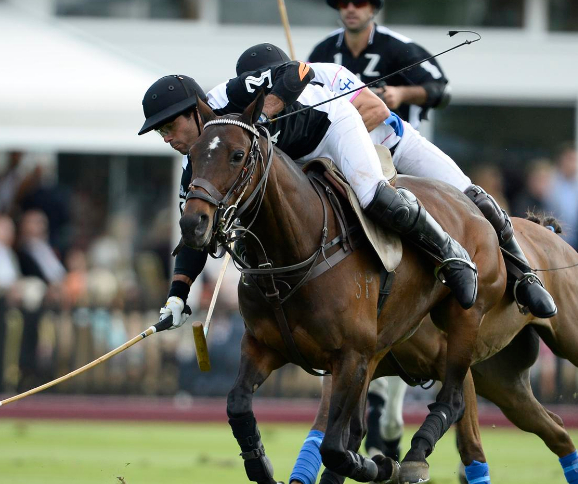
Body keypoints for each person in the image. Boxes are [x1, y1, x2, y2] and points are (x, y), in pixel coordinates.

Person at [139, 63, 479, 332]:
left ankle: (450, 253)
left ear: (195, 111)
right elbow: (195, 231)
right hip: (295, 160)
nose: (166, 138)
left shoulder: (231, 93)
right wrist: (177, 297)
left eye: (168, 127)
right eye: (160, 132)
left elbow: (300, 70)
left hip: (330, 128)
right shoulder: (199, 162)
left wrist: (265, 112)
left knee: (372, 195)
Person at [235, 42, 556, 316]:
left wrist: (339, 142)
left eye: (270, 86)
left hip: (395, 145)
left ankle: (524, 275)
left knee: (472, 195)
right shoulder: (259, 127)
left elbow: (374, 110)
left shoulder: (325, 74)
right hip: (343, 175)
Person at [308, 0, 449, 130]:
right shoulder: (323, 50)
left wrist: (401, 94)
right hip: (340, 138)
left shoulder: (399, 47)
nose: (350, 9)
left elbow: (442, 92)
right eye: (344, 3)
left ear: (373, 8)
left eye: (359, 2)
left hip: (395, 140)